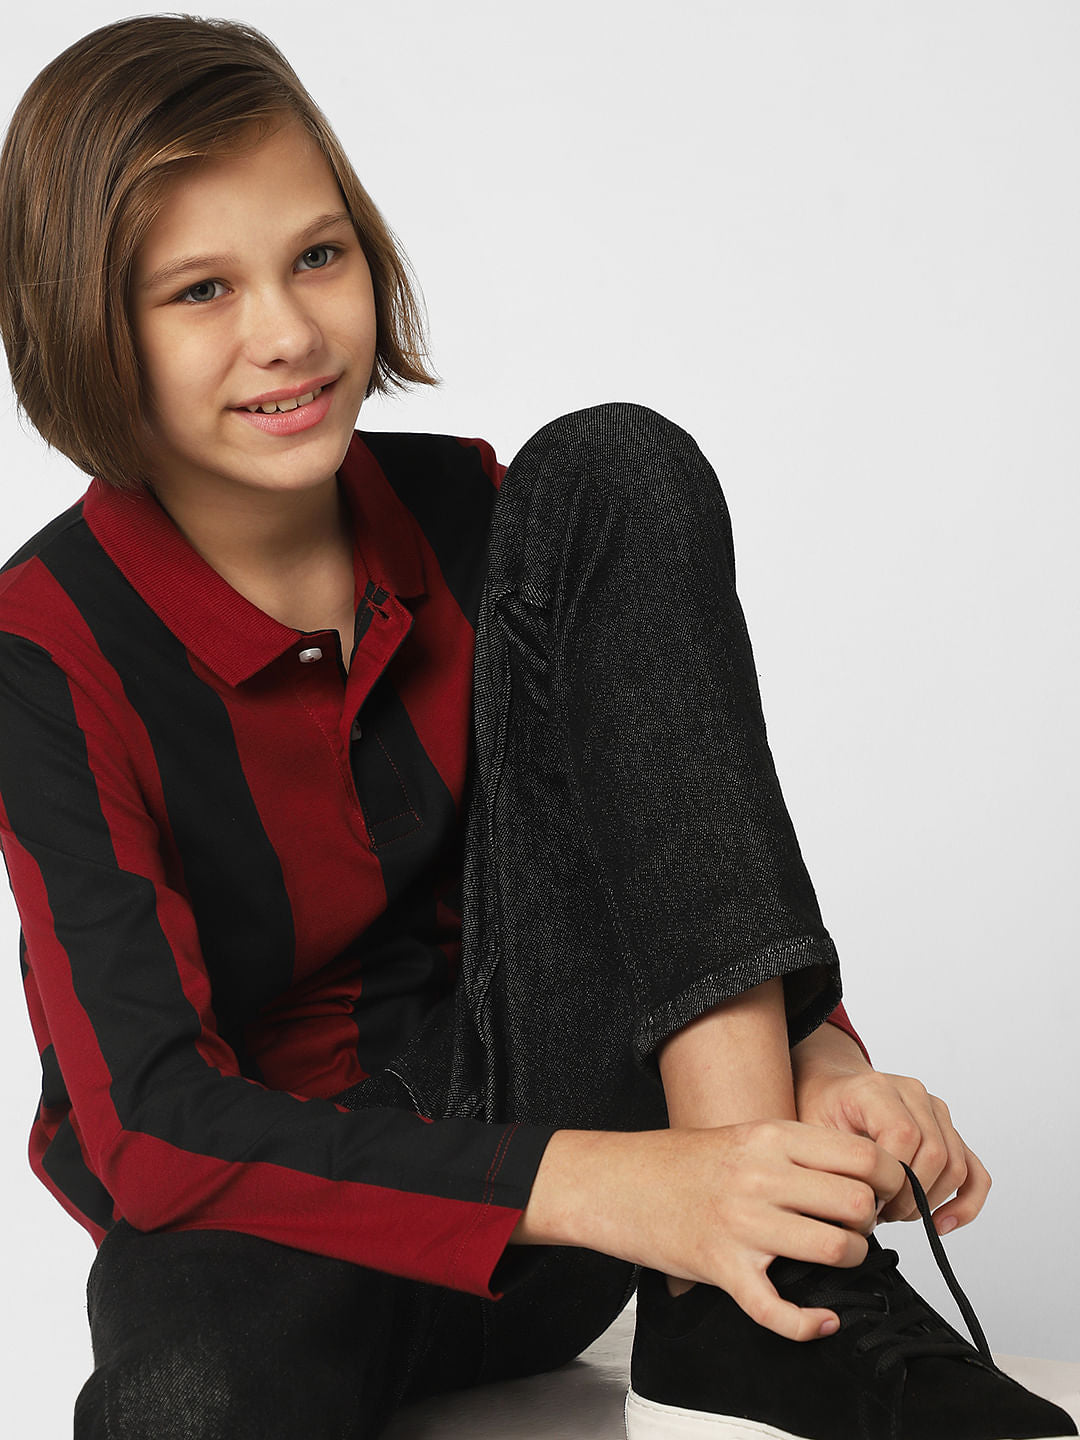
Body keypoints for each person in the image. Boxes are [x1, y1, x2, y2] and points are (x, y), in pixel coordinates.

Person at [0, 15, 1072, 1440]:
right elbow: (148, 1127)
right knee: (183, 1406)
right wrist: (624, 1185)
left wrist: (820, 1067)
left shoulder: (485, 518)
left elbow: (652, 843)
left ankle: (760, 1288)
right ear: (91, 324)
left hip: (595, 1198)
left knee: (615, 464)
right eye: (202, 289)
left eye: (318, 255)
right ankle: (718, 1221)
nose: (290, 332)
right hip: (291, 1234)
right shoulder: (45, 645)